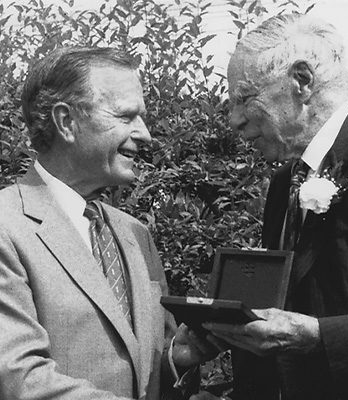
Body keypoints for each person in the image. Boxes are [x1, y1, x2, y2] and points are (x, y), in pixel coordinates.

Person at [191, 13, 348, 400]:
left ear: (301, 81)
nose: (234, 120)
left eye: (245, 97)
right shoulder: (286, 182)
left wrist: (318, 336)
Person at [0, 46, 218, 400]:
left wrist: (176, 360)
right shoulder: (6, 226)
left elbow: (146, 370)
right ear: (66, 122)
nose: (145, 134)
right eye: (126, 116)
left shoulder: (135, 233)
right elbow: (19, 380)